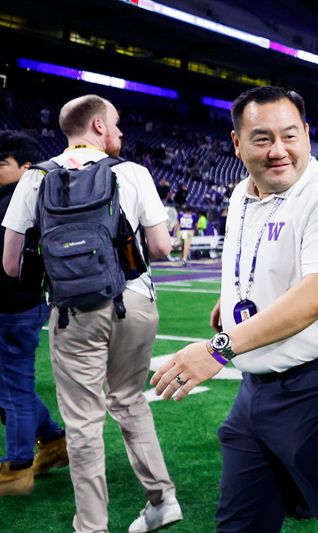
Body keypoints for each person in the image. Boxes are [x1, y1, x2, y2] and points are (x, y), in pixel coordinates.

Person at [150, 86, 318, 533]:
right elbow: (261, 255)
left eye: (289, 136)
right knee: (239, 522)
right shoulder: (242, 193)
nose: (278, 150)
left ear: (307, 133)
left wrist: (217, 349)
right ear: (236, 143)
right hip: (255, 387)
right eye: (262, 138)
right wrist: (237, 294)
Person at [2, 95, 180, 533]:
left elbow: (10, 264)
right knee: (129, 400)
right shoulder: (134, 173)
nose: (120, 132)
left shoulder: (35, 178)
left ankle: (92, 527)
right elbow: (160, 248)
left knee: (82, 422)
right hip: (134, 299)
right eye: (116, 123)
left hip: (73, 310)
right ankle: (162, 499)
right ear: (98, 125)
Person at [0, 130, 68, 496]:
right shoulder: (31, 197)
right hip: (21, 305)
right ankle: (53, 439)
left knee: (13, 389)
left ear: (26, 168)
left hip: (13, 307)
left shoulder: (18, 200)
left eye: (2, 162)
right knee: (11, 386)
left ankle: (17, 467)